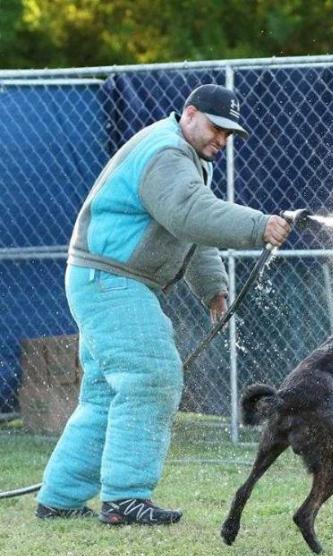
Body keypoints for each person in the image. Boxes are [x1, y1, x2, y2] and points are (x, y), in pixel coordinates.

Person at [35, 84, 291, 525]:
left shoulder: (183, 155)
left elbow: (190, 229)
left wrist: (212, 285)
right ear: (189, 113)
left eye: (229, 134)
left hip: (101, 279)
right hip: (112, 280)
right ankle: (126, 498)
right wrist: (258, 226)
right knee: (151, 377)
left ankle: (59, 498)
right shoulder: (168, 153)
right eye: (216, 128)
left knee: (104, 395)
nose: (222, 140)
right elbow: (190, 214)